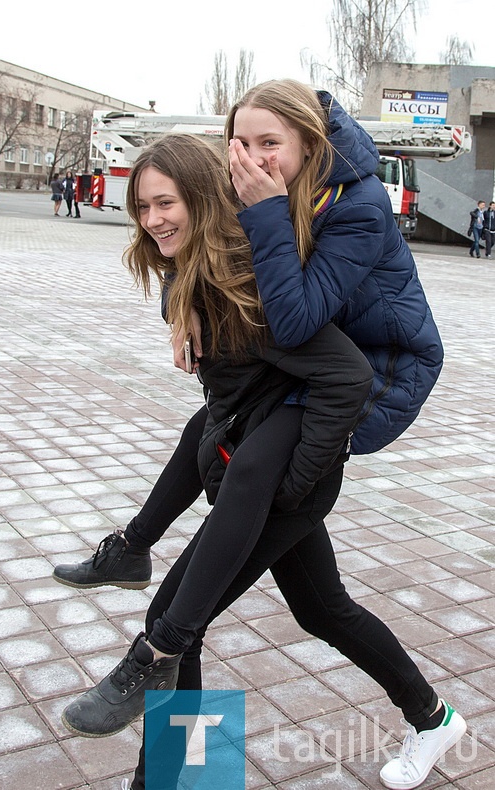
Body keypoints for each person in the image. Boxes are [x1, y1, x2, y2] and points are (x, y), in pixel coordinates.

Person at [59, 133, 464, 790]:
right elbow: (220, 410)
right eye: (143, 207)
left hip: (284, 477)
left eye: (167, 203)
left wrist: (296, 483)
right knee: (323, 610)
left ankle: (176, 779)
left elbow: (345, 375)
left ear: (201, 199)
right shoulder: (194, 276)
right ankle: (434, 717)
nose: (153, 219)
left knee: (174, 620)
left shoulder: (244, 287)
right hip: (266, 472)